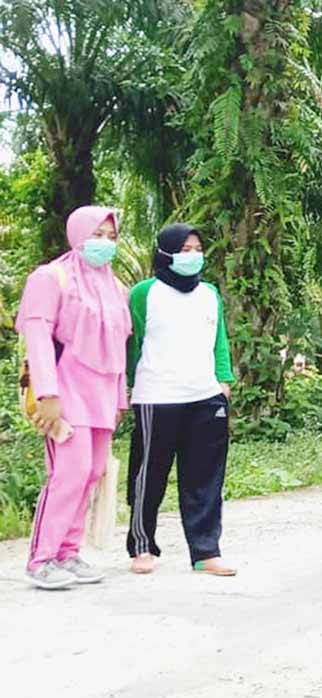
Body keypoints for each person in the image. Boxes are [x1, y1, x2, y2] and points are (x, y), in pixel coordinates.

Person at [15, 206, 131, 589]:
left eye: (111, 237)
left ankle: (68, 551)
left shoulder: (115, 289)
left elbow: (119, 348)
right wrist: (48, 394)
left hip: (100, 396)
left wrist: (118, 399)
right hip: (65, 393)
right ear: (78, 234)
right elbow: (37, 337)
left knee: (94, 472)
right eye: (97, 234)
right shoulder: (52, 277)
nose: (105, 244)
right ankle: (42, 558)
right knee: (68, 473)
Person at [124, 223, 237, 576]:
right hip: (157, 395)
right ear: (166, 252)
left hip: (205, 395)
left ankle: (206, 551)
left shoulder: (209, 293)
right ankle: (142, 546)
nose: (192, 255)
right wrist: (127, 386)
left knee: (205, 477)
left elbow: (219, 338)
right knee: (149, 475)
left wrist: (224, 378)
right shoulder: (145, 293)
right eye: (184, 248)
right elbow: (132, 343)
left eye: (197, 248)